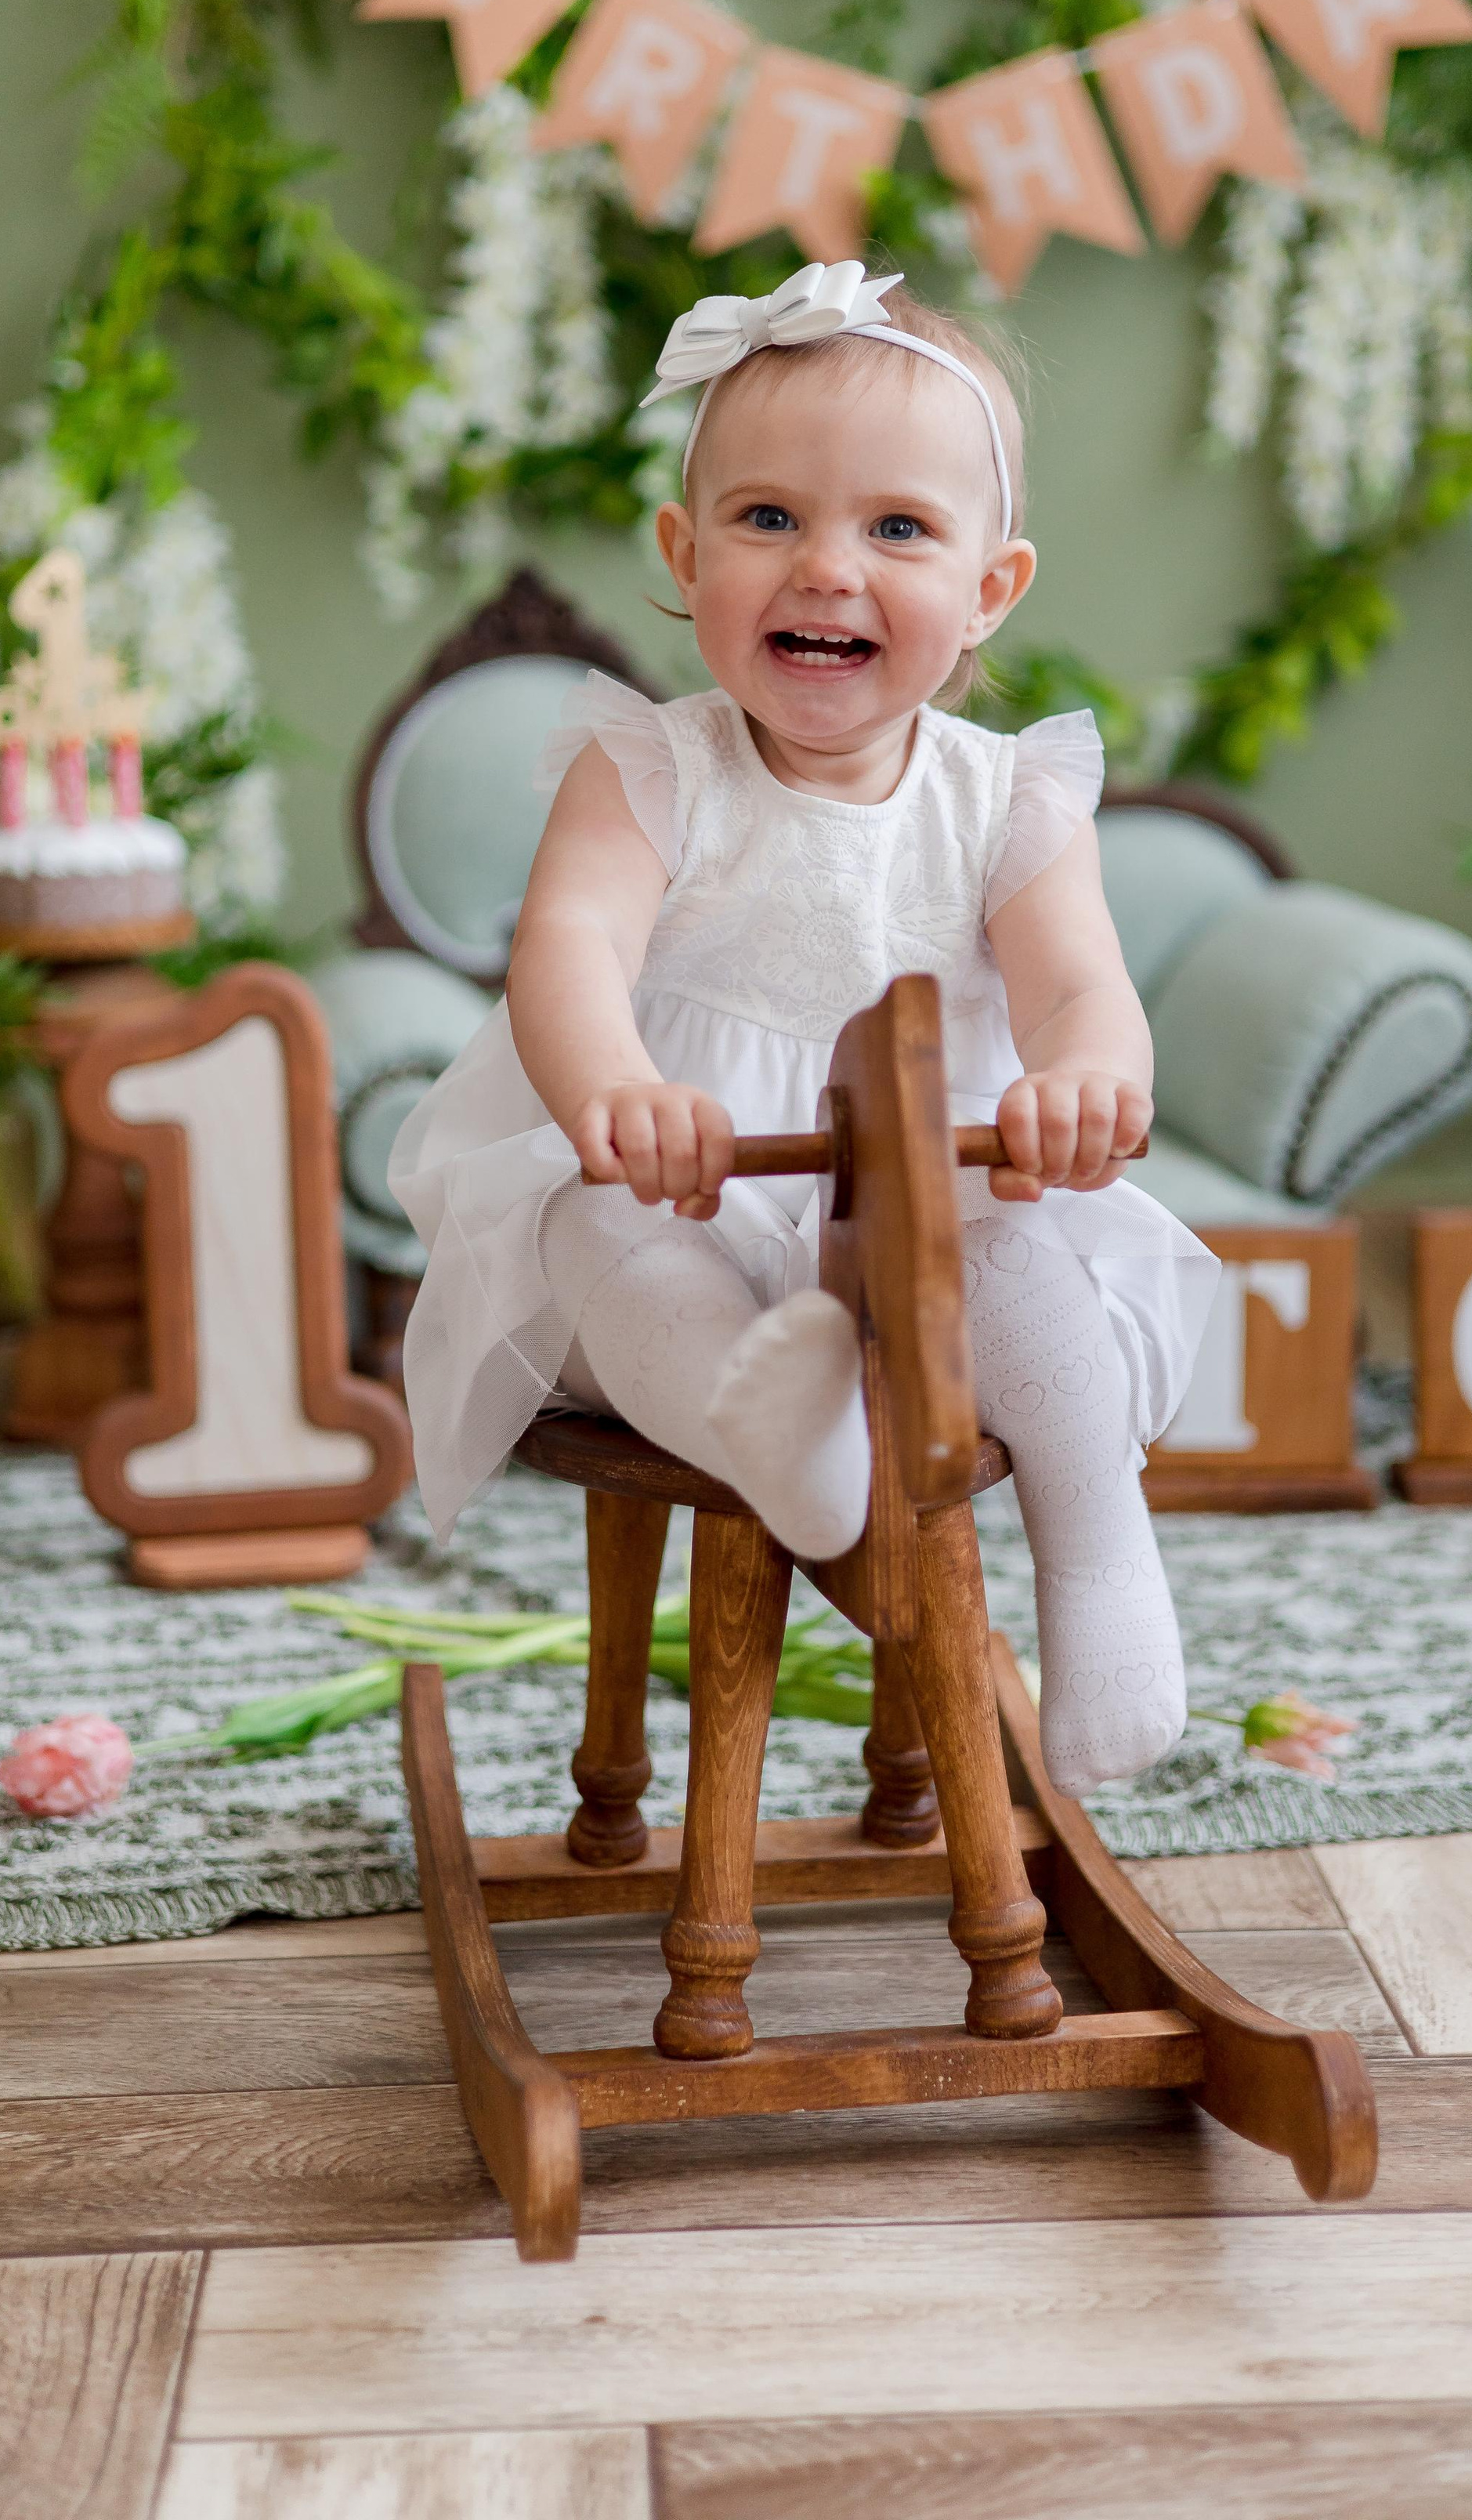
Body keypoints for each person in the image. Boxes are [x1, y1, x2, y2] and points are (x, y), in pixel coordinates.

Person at [390, 259, 1219, 1793]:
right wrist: (617, 1094)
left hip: (925, 1216)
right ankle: (774, 1423)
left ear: (988, 587)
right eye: (767, 519)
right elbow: (564, 945)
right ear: (683, 549)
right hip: (685, 1190)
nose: (824, 569)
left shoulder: (1004, 800)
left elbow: (1075, 987)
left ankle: (1099, 1563)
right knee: (589, 1233)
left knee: (1028, 1270)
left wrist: (1088, 1079)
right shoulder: (648, 765)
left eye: (896, 529)